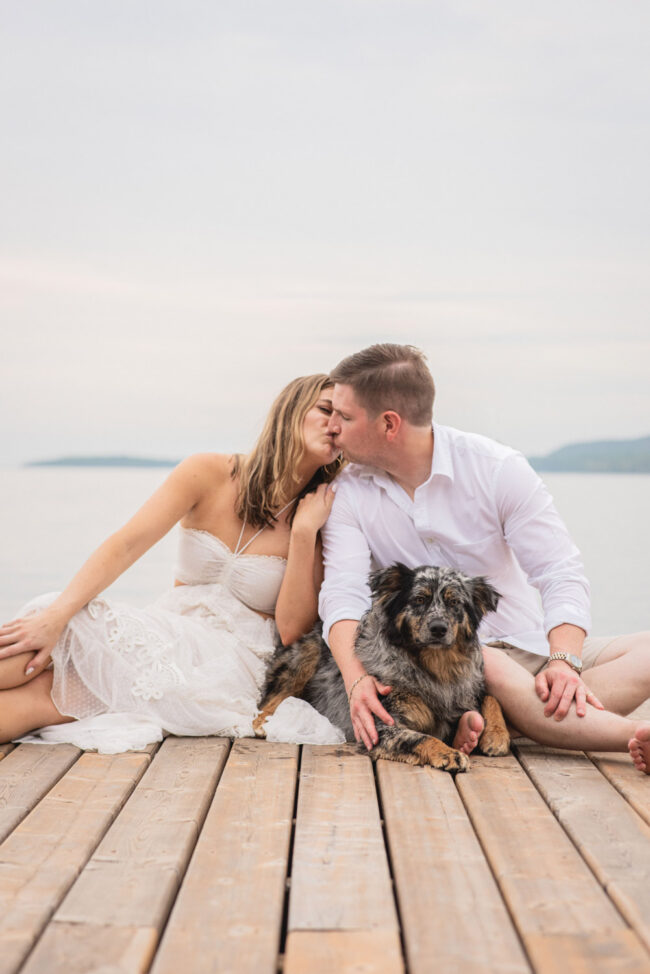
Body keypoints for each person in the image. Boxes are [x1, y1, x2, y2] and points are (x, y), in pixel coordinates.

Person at [318, 343, 650, 773]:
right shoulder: (349, 493)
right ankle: (629, 736)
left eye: (343, 416)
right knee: (477, 652)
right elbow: (342, 594)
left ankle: (517, 716)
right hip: (447, 659)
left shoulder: (496, 468)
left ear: (388, 424)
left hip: (528, 645)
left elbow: (559, 571)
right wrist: (356, 678)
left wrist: (563, 661)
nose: (332, 426)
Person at [0, 374, 345, 752]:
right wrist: (56, 617)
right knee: (56, 631)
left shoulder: (323, 513)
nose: (335, 425)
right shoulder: (209, 472)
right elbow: (126, 545)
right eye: (326, 410)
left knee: (55, 686)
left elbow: (293, 629)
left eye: (344, 418)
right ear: (290, 411)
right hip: (169, 629)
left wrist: (302, 534)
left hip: (231, 663)